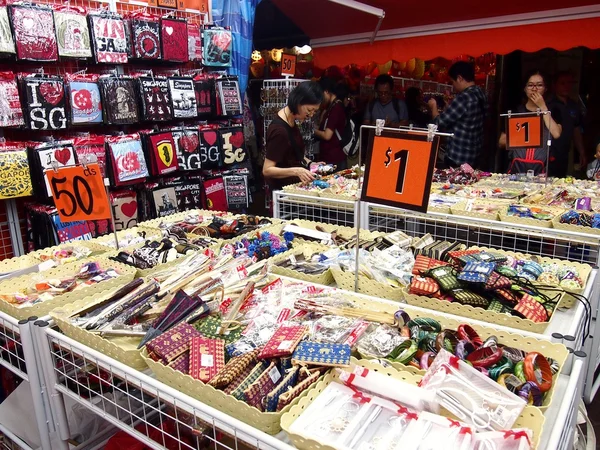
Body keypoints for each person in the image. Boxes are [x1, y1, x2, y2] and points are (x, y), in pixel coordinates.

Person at [262, 81, 324, 190]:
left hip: (293, 189)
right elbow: (267, 170)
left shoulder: (290, 122)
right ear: (298, 102)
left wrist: (310, 164)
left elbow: (292, 153)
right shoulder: (279, 131)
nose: (311, 115)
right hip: (283, 192)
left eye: (315, 111)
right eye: (309, 110)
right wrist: (296, 171)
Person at [499, 70, 562, 175]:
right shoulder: (515, 111)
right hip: (517, 169)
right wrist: (527, 138)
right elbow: (501, 141)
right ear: (525, 88)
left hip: (543, 170)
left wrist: (542, 107)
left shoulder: (553, 110)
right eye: (530, 85)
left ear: (545, 89)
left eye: (539, 85)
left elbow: (556, 133)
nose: (534, 88)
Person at [428, 61, 487, 167]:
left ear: (459, 78)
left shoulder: (464, 98)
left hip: (458, 156)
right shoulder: (481, 94)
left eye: (452, 82)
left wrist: (433, 106)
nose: (453, 86)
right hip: (474, 154)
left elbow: (438, 122)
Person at [547, 71, 587, 177]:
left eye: (569, 83)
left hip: (565, 152)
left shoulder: (574, 105)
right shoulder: (548, 105)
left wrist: (581, 152)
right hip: (549, 152)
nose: (566, 86)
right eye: (562, 83)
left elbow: (576, 130)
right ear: (555, 85)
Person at [313, 77, 347, 168]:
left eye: (321, 94)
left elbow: (327, 135)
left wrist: (312, 130)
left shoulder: (336, 108)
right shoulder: (330, 107)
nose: (320, 98)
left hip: (334, 158)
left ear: (326, 91)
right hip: (329, 156)